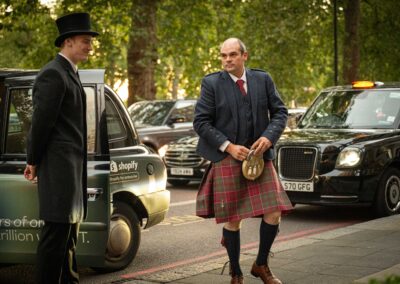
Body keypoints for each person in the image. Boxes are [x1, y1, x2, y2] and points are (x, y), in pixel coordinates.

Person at [194, 38, 293, 284]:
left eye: (233, 55)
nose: (227, 59)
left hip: (260, 156)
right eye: (223, 55)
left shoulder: (263, 79)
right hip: (228, 158)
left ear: (244, 56)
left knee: (274, 212)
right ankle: (236, 272)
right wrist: (228, 146)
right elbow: (201, 122)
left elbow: (280, 112)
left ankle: (261, 264)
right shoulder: (211, 84)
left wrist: (269, 138)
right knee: (233, 219)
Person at [23, 12, 98, 284]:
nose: (90, 46)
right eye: (85, 41)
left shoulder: (70, 72)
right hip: (58, 170)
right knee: (54, 242)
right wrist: (32, 159)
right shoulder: (53, 74)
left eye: (90, 41)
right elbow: (40, 125)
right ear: (68, 42)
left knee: (68, 241)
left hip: (71, 173)